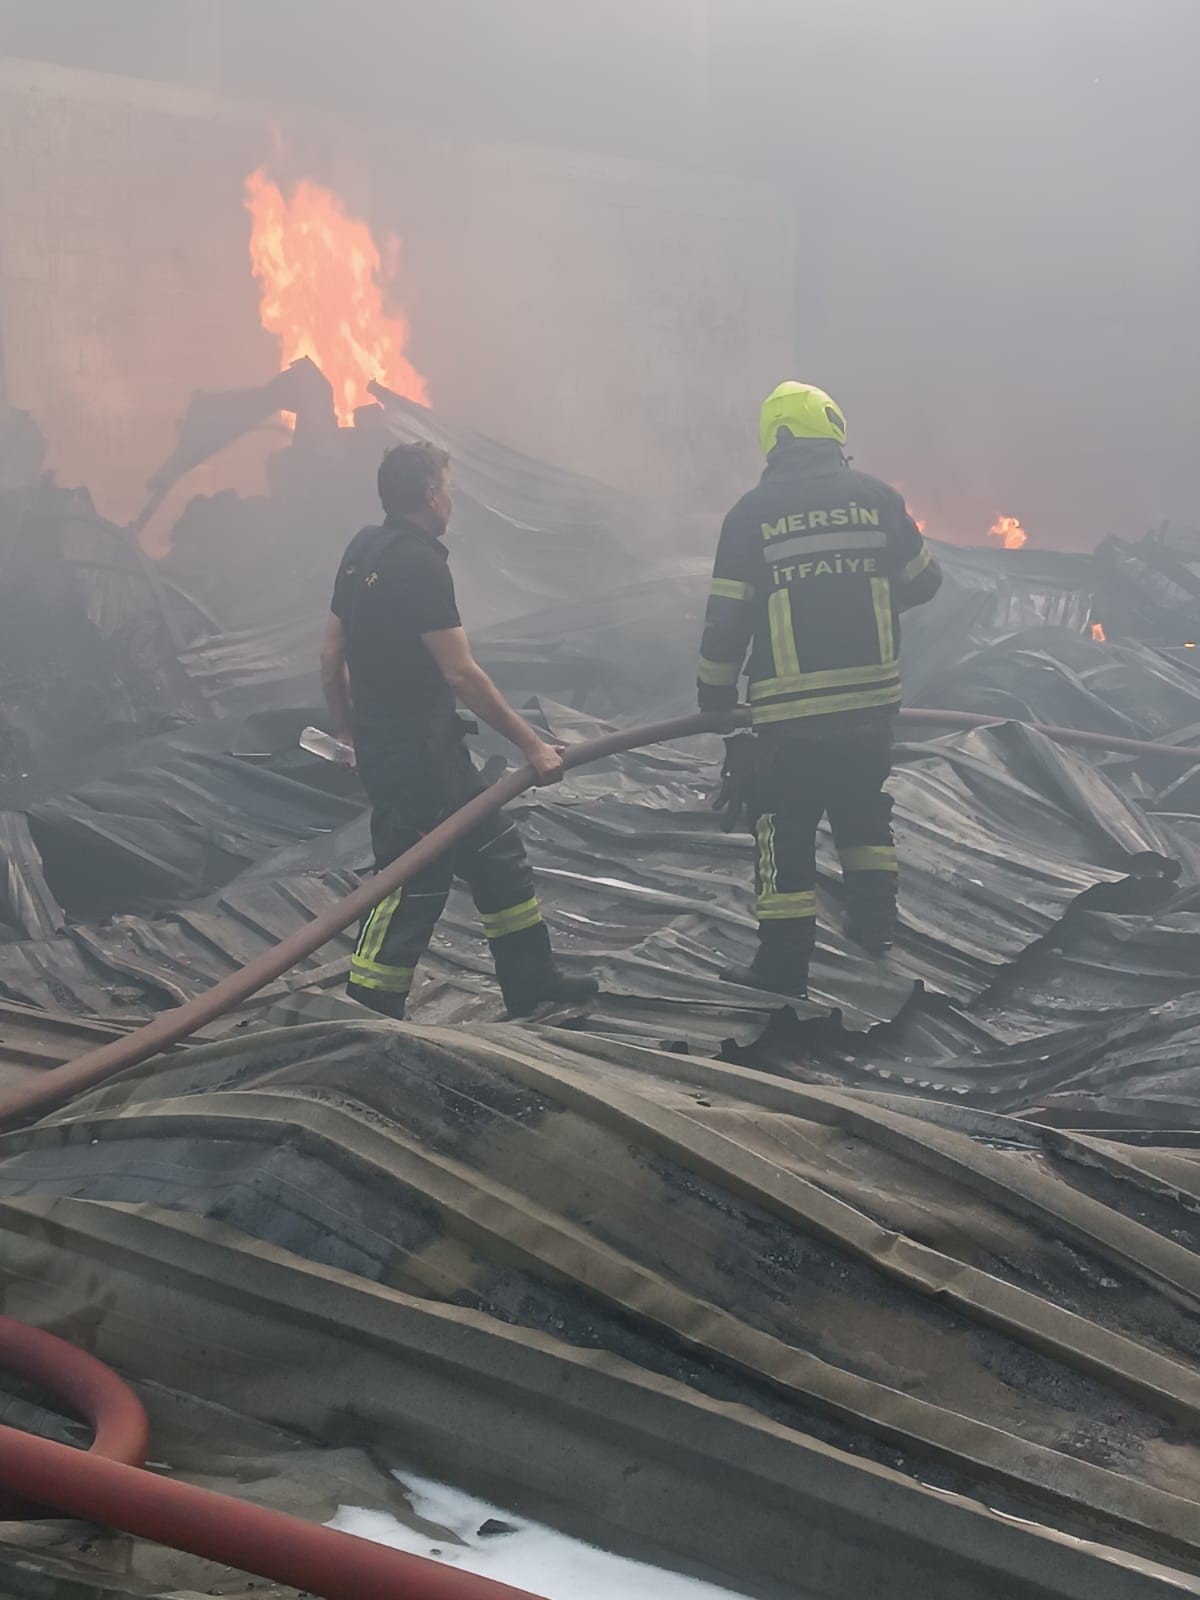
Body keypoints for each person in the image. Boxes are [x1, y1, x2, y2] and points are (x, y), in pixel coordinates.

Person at [321, 440, 598, 1020]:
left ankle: (532, 980)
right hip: (415, 757)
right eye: (447, 487)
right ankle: (370, 1007)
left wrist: (347, 730)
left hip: (416, 748)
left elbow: (330, 653)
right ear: (428, 494)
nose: (452, 498)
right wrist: (532, 745)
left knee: (496, 851)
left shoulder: (362, 549)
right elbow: (461, 673)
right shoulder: (418, 564)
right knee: (411, 878)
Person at [697, 382, 942, 998]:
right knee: (863, 813)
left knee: (785, 829)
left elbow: (726, 620)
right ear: (832, 433)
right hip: (870, 708)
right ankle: (875, 928)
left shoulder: (751, 514)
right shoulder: (878, 498)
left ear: (775, 438)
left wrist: (714, 698)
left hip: (793, 718)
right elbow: (925, 582)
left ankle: (783, 968)